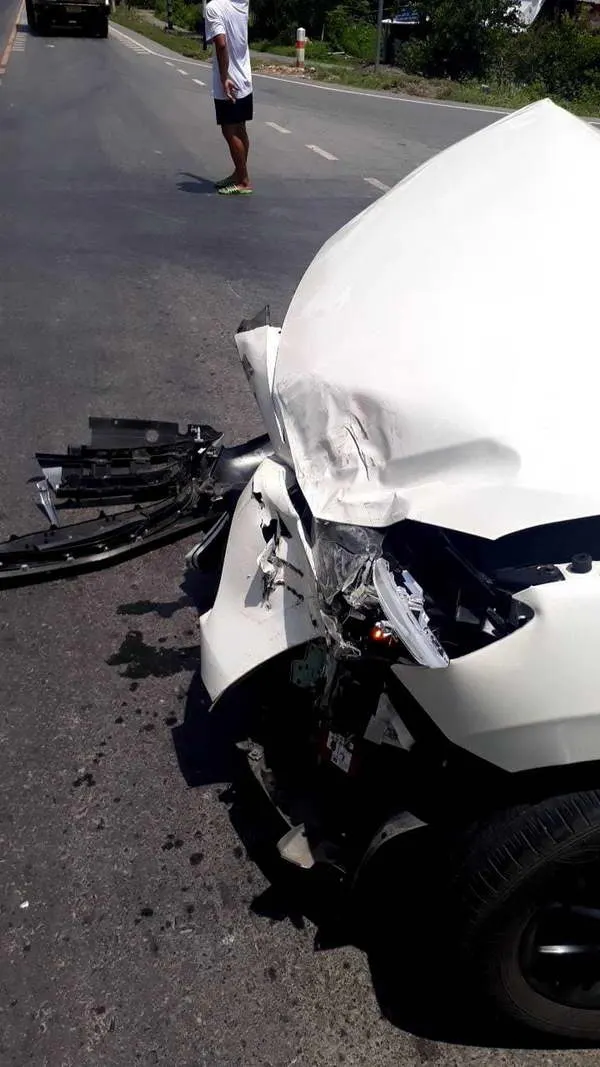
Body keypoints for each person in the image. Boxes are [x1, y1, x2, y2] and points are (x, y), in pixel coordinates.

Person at [204, 0, 253, 196]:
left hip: (228, 82)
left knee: (230, 131)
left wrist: (224, 77)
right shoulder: (241, 2)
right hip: (244, 78)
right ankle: (238, 174)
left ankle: (243, 181)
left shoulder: (213, 8)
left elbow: (221, 43)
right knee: (240, 128)